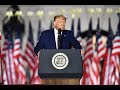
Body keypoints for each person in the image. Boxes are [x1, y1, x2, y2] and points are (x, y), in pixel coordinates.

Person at [34, 14, 83, 85]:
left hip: (67, 71)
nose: (63, 24)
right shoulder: (45, 34)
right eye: (60, 22)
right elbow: (37, 48)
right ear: (54, 23)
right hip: (49, 70)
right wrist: (39, 54)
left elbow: (78, 47)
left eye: (64, 22)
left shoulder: (68, 34)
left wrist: (79, 51)